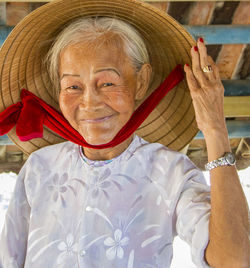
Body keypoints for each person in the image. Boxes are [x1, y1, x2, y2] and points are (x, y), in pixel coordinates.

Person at [0, 0, 249, 267]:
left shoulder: (171, 172)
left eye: (107, 82)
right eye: (73, 86)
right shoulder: (40, 168)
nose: (89, 103)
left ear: (141, 82)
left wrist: (215, 130)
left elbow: (233, 260)